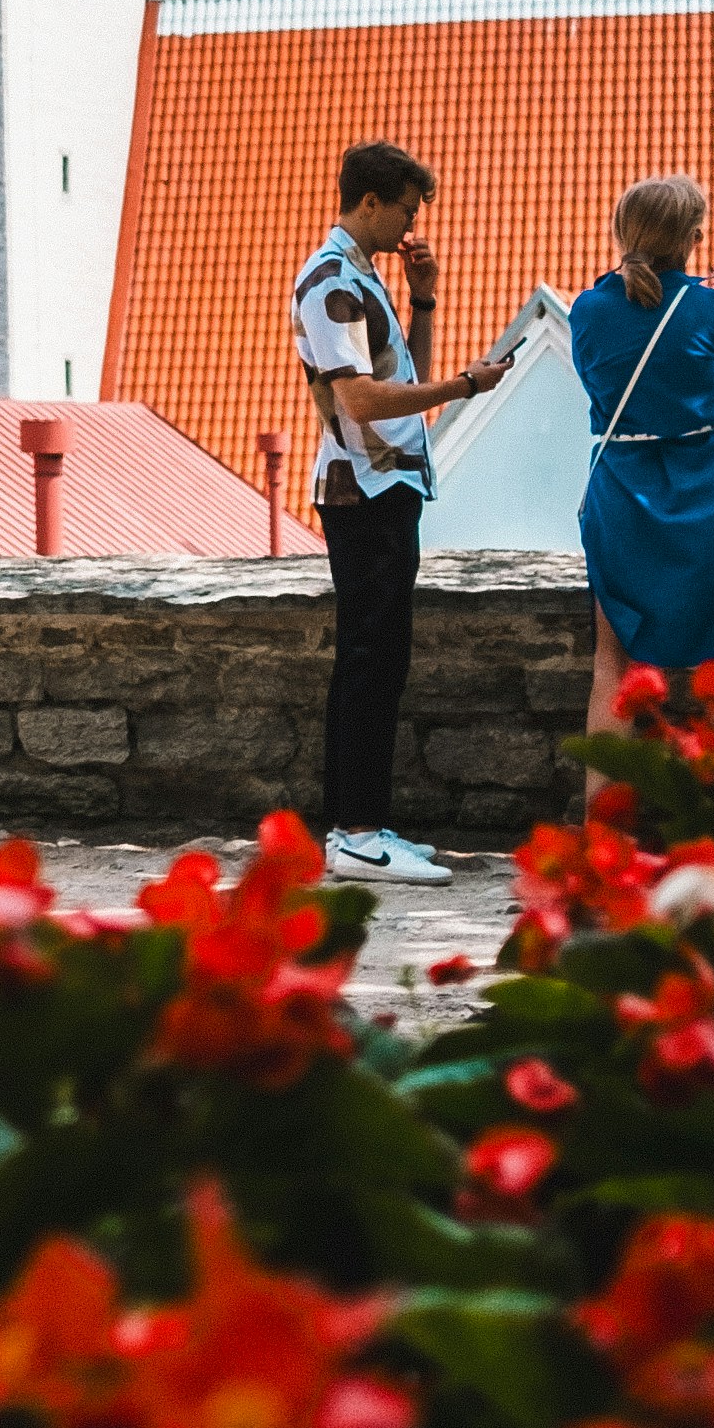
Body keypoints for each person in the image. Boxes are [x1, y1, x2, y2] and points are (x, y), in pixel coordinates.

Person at [291, 140, 508, 880]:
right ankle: (355, 833)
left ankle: (362, 825)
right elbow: (359, 398)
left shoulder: (362, 276)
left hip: (386, 485)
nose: (411, 224)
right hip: (362, 490)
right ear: (371, 201)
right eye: (407, 209)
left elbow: (398, 370)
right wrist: (464, 387)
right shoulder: (328, 283)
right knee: (367, 658)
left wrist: (423, 299)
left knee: (377, 658)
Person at [572, 172, 714, 760]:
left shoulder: (588, 311)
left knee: (615, 662)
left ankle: (603, 828)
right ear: (693, 239)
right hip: (711, 496)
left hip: (623, 489)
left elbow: (606, 387)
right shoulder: (712, 309)